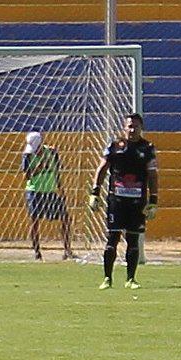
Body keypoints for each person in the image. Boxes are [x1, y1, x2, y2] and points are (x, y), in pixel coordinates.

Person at [89, 112, 157, 289]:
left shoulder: (147, 148)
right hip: (116, 201)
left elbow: (152, 175)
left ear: (142, 128)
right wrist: (94, 192)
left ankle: (131, 279)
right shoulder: (115, 146)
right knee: (112, 238)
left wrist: (153, 201)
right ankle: (107, 278)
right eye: (129, 126)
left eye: (136, 126)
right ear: (124, 127)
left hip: (137, 202)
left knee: (133, 240)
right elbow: (102, 169)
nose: (132, 129)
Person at [21, 131, 74, 260]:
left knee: (65, 218)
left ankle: (67, 250)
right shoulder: (27, 156)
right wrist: (39, 167)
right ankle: (37, 252)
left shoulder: (52, 153)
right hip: (35, 191)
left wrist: (60, 188)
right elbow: (26, 176)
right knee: (34, 221)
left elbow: (56, 171)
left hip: (50, 191)